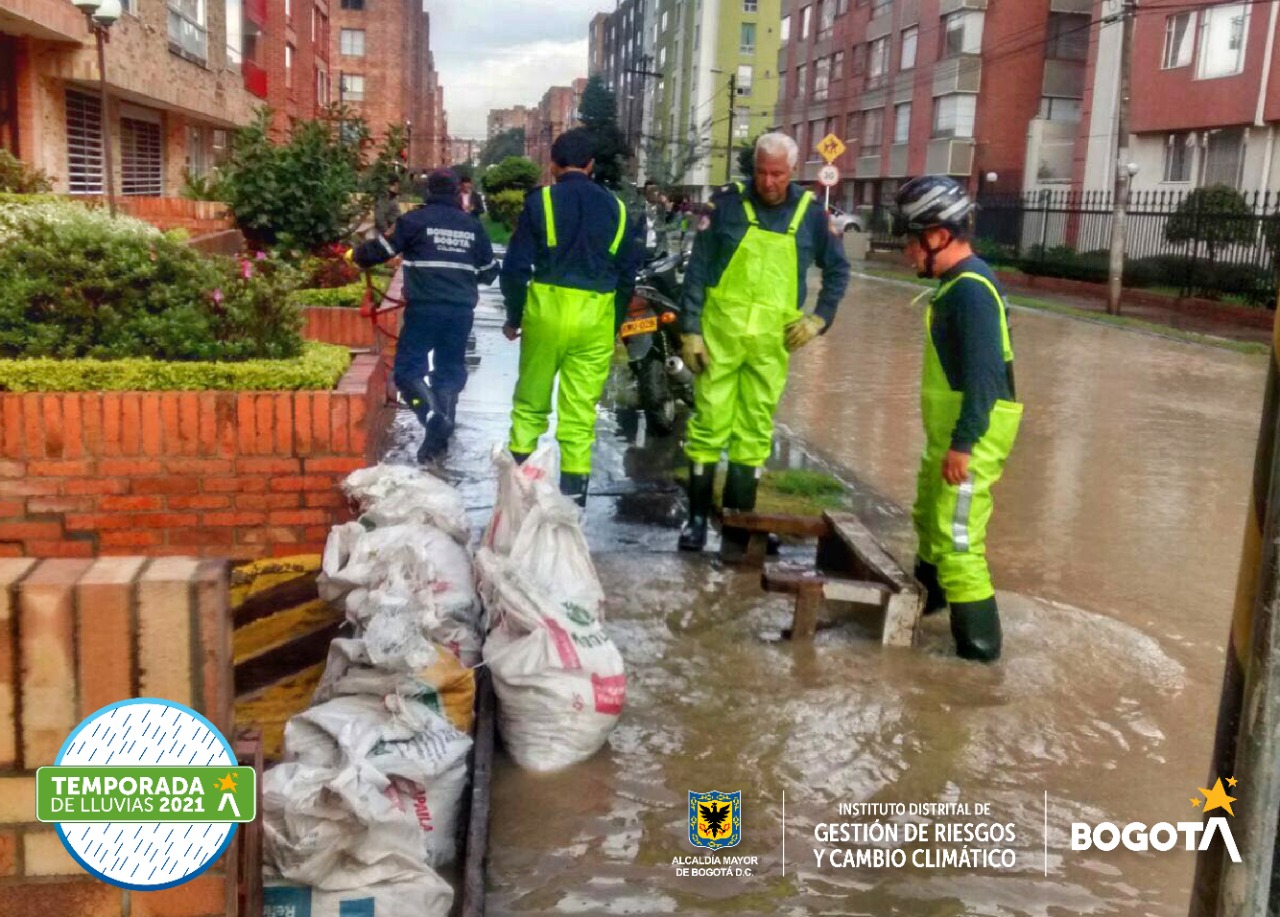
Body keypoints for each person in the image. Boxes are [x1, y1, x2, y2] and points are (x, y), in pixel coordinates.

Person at [677, 132, 850, 555]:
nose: (768, 182)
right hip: (719, 339)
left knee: (754, 431)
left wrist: (819, 319)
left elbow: (838, 271)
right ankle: (697, 519)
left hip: (772, 345)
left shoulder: (812, 215)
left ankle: (740, 523)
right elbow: (697, 268)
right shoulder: (725, 204)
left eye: (777, 174)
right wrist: (690, 329)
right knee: (708, 426)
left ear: (792, 172)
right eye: (761, 171)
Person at [890, 175, 1023, 663]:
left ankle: (979, 658)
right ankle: (929, 610)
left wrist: (964, 445)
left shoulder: (970, 290)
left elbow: (985, 377)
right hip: (949, 434)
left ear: (937, 236)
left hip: (972, 436)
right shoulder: (954, 286)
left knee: (958, 537)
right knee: (929, 518)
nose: (906, 252)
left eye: (909, 239)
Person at [499, 127, 642, 506]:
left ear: (553, 164)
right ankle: (571, 515)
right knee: (579, 419)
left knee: (530, 406)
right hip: (597, 314)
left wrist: (515, 316)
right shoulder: (622, 211)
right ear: (591, 165)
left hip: (546, 310)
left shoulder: (539, 202)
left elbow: (514, 268)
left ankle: (518, 502)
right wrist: (610, 328)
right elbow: (628, 278)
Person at [349, 168, 499, 463]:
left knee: (407, 372)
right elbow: (490, 273)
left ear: (427, 192)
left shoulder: (413, 221)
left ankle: (432, 419)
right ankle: (441, 440)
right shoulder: (472, 227)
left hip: (424, 309)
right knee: (449, 371)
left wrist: (354, 255)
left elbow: (376, 252)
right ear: (458, 192)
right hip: (459, 312)